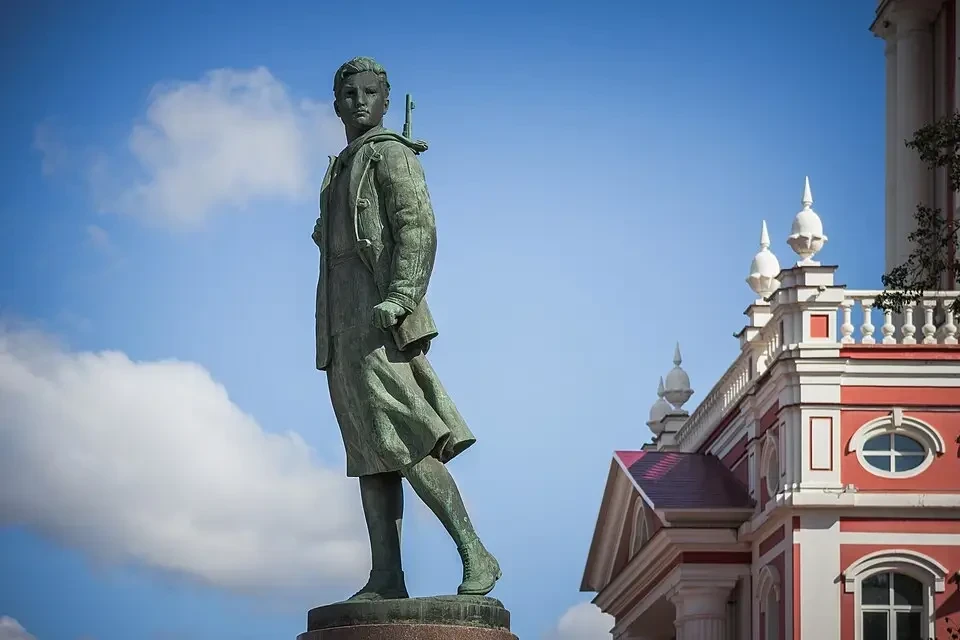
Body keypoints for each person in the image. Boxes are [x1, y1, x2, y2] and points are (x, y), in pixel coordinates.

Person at [312, 56, 500, 601]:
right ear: (336, 103)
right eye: (350, 94)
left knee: (406, 437)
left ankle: (476, 553)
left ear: (386, 101)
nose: (360, 102)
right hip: (341, 326)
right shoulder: (341, 166)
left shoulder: (390, 153)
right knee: (369, 452)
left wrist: (401, 295)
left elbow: (417, 227)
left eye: (370, 93)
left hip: (377, 318)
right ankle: (386, 576)